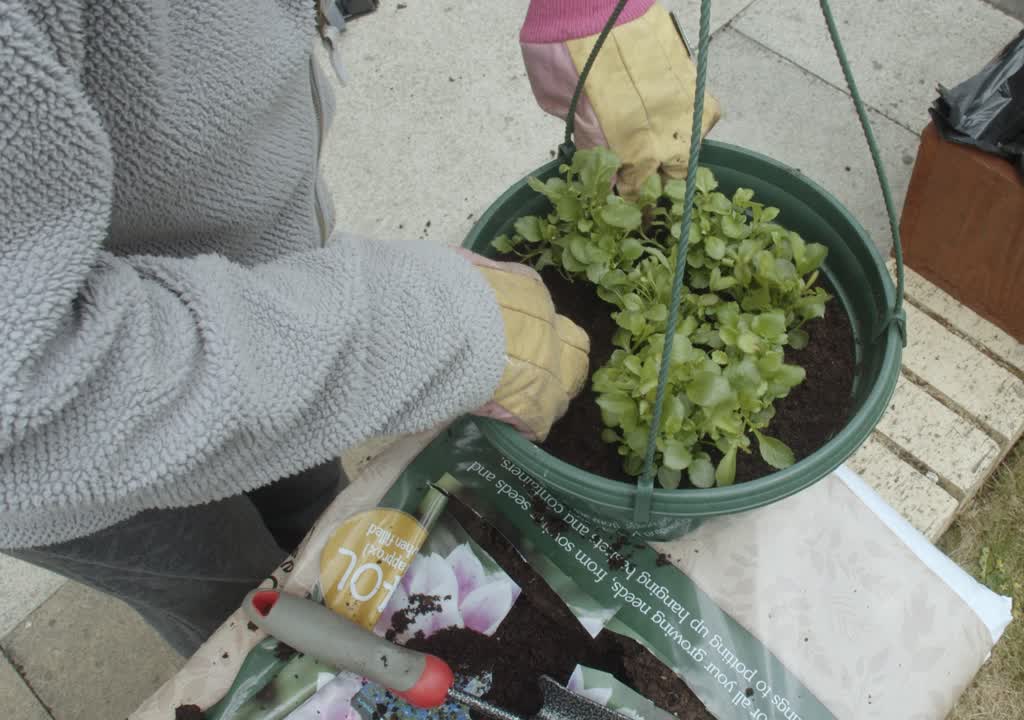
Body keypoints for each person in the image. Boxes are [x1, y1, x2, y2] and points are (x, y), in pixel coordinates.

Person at [0, 0, 718, 657]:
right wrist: (433, 329)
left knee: (320, 505)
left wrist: (583, 10)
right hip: (72, 467)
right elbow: (35, 399)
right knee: (237, 603)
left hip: (265, 292)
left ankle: (347, 570)